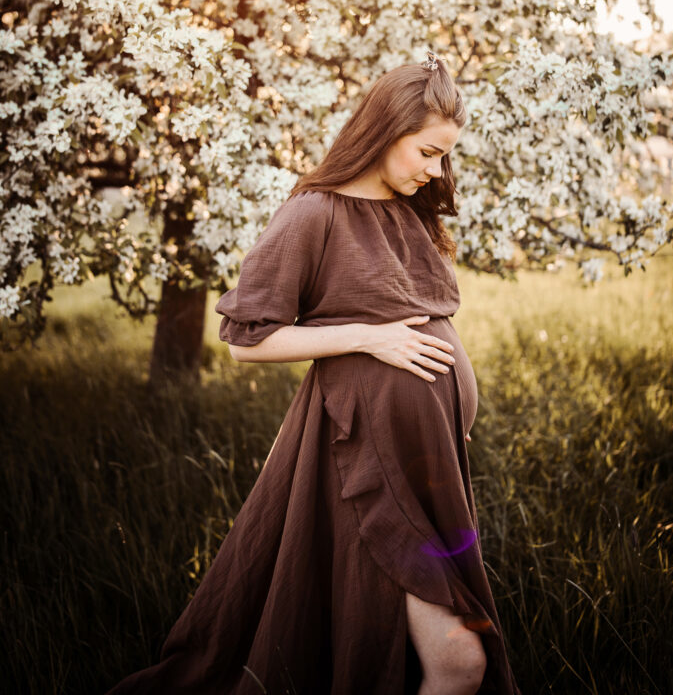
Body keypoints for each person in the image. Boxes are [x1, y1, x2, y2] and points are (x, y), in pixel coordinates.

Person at [105, 52, 521, 695]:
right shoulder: (313, 214)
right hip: (366, 465)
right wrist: (365, 339)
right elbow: (246, 340)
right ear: (386, 131)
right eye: (429, 153)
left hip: (423, 463)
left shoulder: (411, 212)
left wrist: (444, 419)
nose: (438, 171)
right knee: (459, 662)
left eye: (445, 157)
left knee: (401, 650)